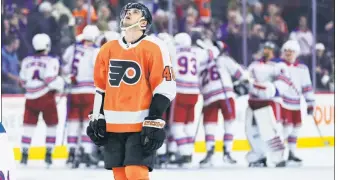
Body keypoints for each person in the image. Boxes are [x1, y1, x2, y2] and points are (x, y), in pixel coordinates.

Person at [86, 3, 176, 180]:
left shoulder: (155, 47)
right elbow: (101, 88)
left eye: (135, 12)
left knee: (135, 172)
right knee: (120, 175)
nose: (128, 13)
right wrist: (98, 116)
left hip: (140, 124)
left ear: (143, 23)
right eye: (127, 11)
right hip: (113, 124)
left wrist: (154, 119)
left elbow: (165, 86)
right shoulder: (107, 49)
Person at [244, 40, 297, 167]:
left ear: (274, 51)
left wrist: (265, 88)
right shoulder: (254, 65)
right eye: (264, 48)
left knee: (270, 132)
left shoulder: (279, 66)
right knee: (251, 131)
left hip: (268, 104)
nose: (265, 51)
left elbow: (280, 86)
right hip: (253, 103)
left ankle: (277, 157)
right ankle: (258, 156)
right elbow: (246, 80)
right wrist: (243, 86)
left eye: (268, 48)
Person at [197, 38, 247, 167]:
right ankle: (227, 152)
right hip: (225, 94)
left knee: (209, 125)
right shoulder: (224, 60)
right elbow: (241, 74)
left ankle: (210, 152)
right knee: (229, 123)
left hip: (208, 96)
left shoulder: (200, 64)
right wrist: (240, 83)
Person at [19, 33, 66, 167]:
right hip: (46, 96)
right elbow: (50, 79)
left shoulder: (26, 60)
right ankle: (48, 154)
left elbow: (22, 81)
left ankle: (24, 155)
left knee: (28, 127)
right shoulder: (52, 60)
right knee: (52, 125)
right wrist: (61, 84)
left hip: (30, 97)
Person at [62, 24, 101, 168]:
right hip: (90, 91)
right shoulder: (97, 51)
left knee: (73, 122)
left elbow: (64, 68)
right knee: (87, 122)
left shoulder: (72, 49)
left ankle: (72, 151)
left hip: (73, 91)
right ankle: (85, 151)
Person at [280, 40, 315, 164]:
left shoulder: (302, 69)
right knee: (285, 129)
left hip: (295, 103)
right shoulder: (279, 66)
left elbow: (307, 87)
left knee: (296, 128)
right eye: (286, 51)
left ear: (296, 53)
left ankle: (291, 153)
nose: (288, 53)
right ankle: (279, 154)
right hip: (283, 103)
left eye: (291, 51)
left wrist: (310, 103)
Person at [167, 33, 199, 166]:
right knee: (188, 125)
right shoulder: (196, 53)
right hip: (195, 92)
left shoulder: (174, 51)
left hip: (180, 91)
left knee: (176, 127)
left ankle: (185, 154)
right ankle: (188, 152)